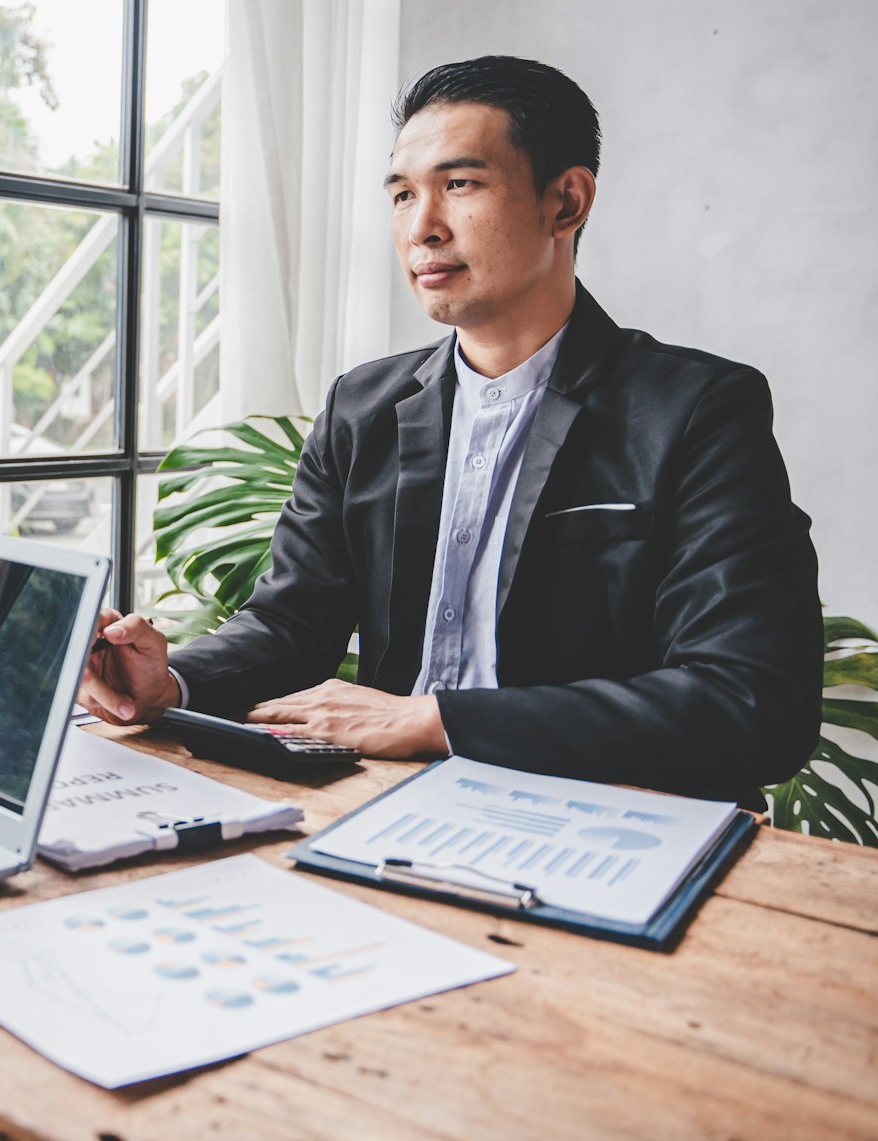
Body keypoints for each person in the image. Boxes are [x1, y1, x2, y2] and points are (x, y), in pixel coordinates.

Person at [82, 55, 821, 805]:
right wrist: (172, 681)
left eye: (459, 185)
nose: (421, 227)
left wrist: (438, 720)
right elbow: (291, 622)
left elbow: (751, 700)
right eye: (403, 194)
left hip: (604, 813)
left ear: (566, 202)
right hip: (379, 803)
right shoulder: (361, 407)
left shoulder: (696, 410)